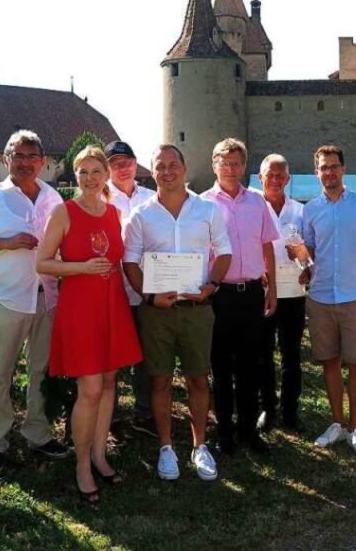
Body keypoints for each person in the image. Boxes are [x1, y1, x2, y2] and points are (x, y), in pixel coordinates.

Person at [0, 130, 70, 477]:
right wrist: (4, 242)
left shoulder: (55, 199)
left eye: (31, 156)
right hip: (5, 297)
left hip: (46, 296)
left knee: (42, 369)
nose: (24, 162)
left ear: (43, 161)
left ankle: (38, 432)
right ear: (6, 159)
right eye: (16, 156)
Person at [37, 146, 143, 503]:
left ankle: (100, 455)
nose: (89, 178)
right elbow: (44, 263)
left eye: (95, 171)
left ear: (106, 174)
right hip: (81, 308)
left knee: (110, 382)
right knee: (91, 389)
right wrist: (81, 267)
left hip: (111, 304)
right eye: (82, 172)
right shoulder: (64, 212)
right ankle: (82, 464)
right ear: (75, 175)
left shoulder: (114, 213)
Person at [123, 144, 232, 481]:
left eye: (173, 165)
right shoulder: (141, 214)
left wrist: (211, 285)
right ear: (152, 172)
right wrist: (149, 297)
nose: (167, 172)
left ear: (185, 168)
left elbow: (224, 252)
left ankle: (200, 446)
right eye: (160, 167)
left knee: (198, 378)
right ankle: (166, 448)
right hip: (157, 312)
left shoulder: (207, 209)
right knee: (160, 380)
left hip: (197, 308)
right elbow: (130, 262)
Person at [301, 145, 356, 458]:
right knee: (330, 363)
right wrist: (302, 264)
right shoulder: (310, 209)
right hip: (320, 296)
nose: (329, 172)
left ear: (344, 169)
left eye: (334, 166)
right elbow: (307, 250)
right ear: (317, 172)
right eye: (323, 167)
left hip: (353, 296)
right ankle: (336, 422)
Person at [201, 138, 279, 455]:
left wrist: (272, 288)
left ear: (244, 166)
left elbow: (267, 246)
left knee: (250, 366)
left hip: (251, 295)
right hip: (220, 295)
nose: (230, 169)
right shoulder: (203, 204)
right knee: (221, 368)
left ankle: (248, 431)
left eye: (236, 163)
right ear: (214, 165)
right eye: (224, 162)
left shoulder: (257, 202)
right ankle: (225, 434)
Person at [104, 140, 156, 436]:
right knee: (112, 356)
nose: (122, 168)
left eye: (126, 162)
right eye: (115, 163)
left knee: (145, 354)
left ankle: (144, 411)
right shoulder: (99, 197)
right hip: (112, 289)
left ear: (136, 164)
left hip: (147, 287)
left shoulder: (153, 197)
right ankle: (110, 415)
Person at [255, 154, 308, 434]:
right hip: (261, 293)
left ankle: (290, 411)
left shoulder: (301, 211)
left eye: (280, 176)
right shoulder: (252, 207)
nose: (274, 180)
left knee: (291, 356)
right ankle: (267, 408)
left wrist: (306, 264)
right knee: (263, 354)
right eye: (269, 175)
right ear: (260, 177)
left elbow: (309, 253)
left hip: (293, 291)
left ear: (287, 179)